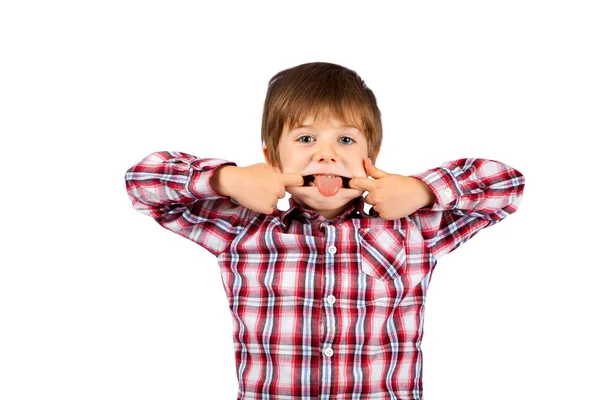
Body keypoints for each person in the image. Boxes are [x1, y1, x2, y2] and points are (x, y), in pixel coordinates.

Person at [124, 61, 525, 400]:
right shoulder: (241, 228)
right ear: (272, 156)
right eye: (305, 138)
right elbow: (143, 183)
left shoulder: (412, 227)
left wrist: (421, 190)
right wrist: (226, 180)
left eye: (346, 139)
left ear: (370, 157)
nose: (326, 153)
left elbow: (506, 185)